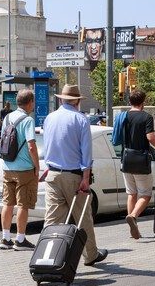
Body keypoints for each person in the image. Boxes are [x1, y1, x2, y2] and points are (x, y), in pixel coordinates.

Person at [42, 84, 108, 266]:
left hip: (53, 174)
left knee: (52, 220)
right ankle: (90, 255)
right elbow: (86, 152)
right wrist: (86, 178)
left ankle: (47, 256)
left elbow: (47, 146)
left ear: (61, 99)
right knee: (82, 217)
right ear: (77, 101)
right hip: (74, 176)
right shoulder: (80, 119)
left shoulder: (49, 118)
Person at [122, 90, 155, 239]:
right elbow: (150, 137)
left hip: (126, 158)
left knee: (131, 193)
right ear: (143, 102)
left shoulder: (123, 116)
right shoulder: (146, 117)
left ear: (130, 102)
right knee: (146, 194)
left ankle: (132, 226)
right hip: (141, 159)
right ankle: (133, 216)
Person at [0, 90, 40, 251]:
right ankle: (20, 239)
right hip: (24, 170)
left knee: (7, 203)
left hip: (8, 167)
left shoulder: (7, 117)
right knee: (23, 204)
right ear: (29, 102)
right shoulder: (28, 120)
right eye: (33, 102)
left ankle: (5, 238)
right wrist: (37, 166)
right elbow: (31, 146)